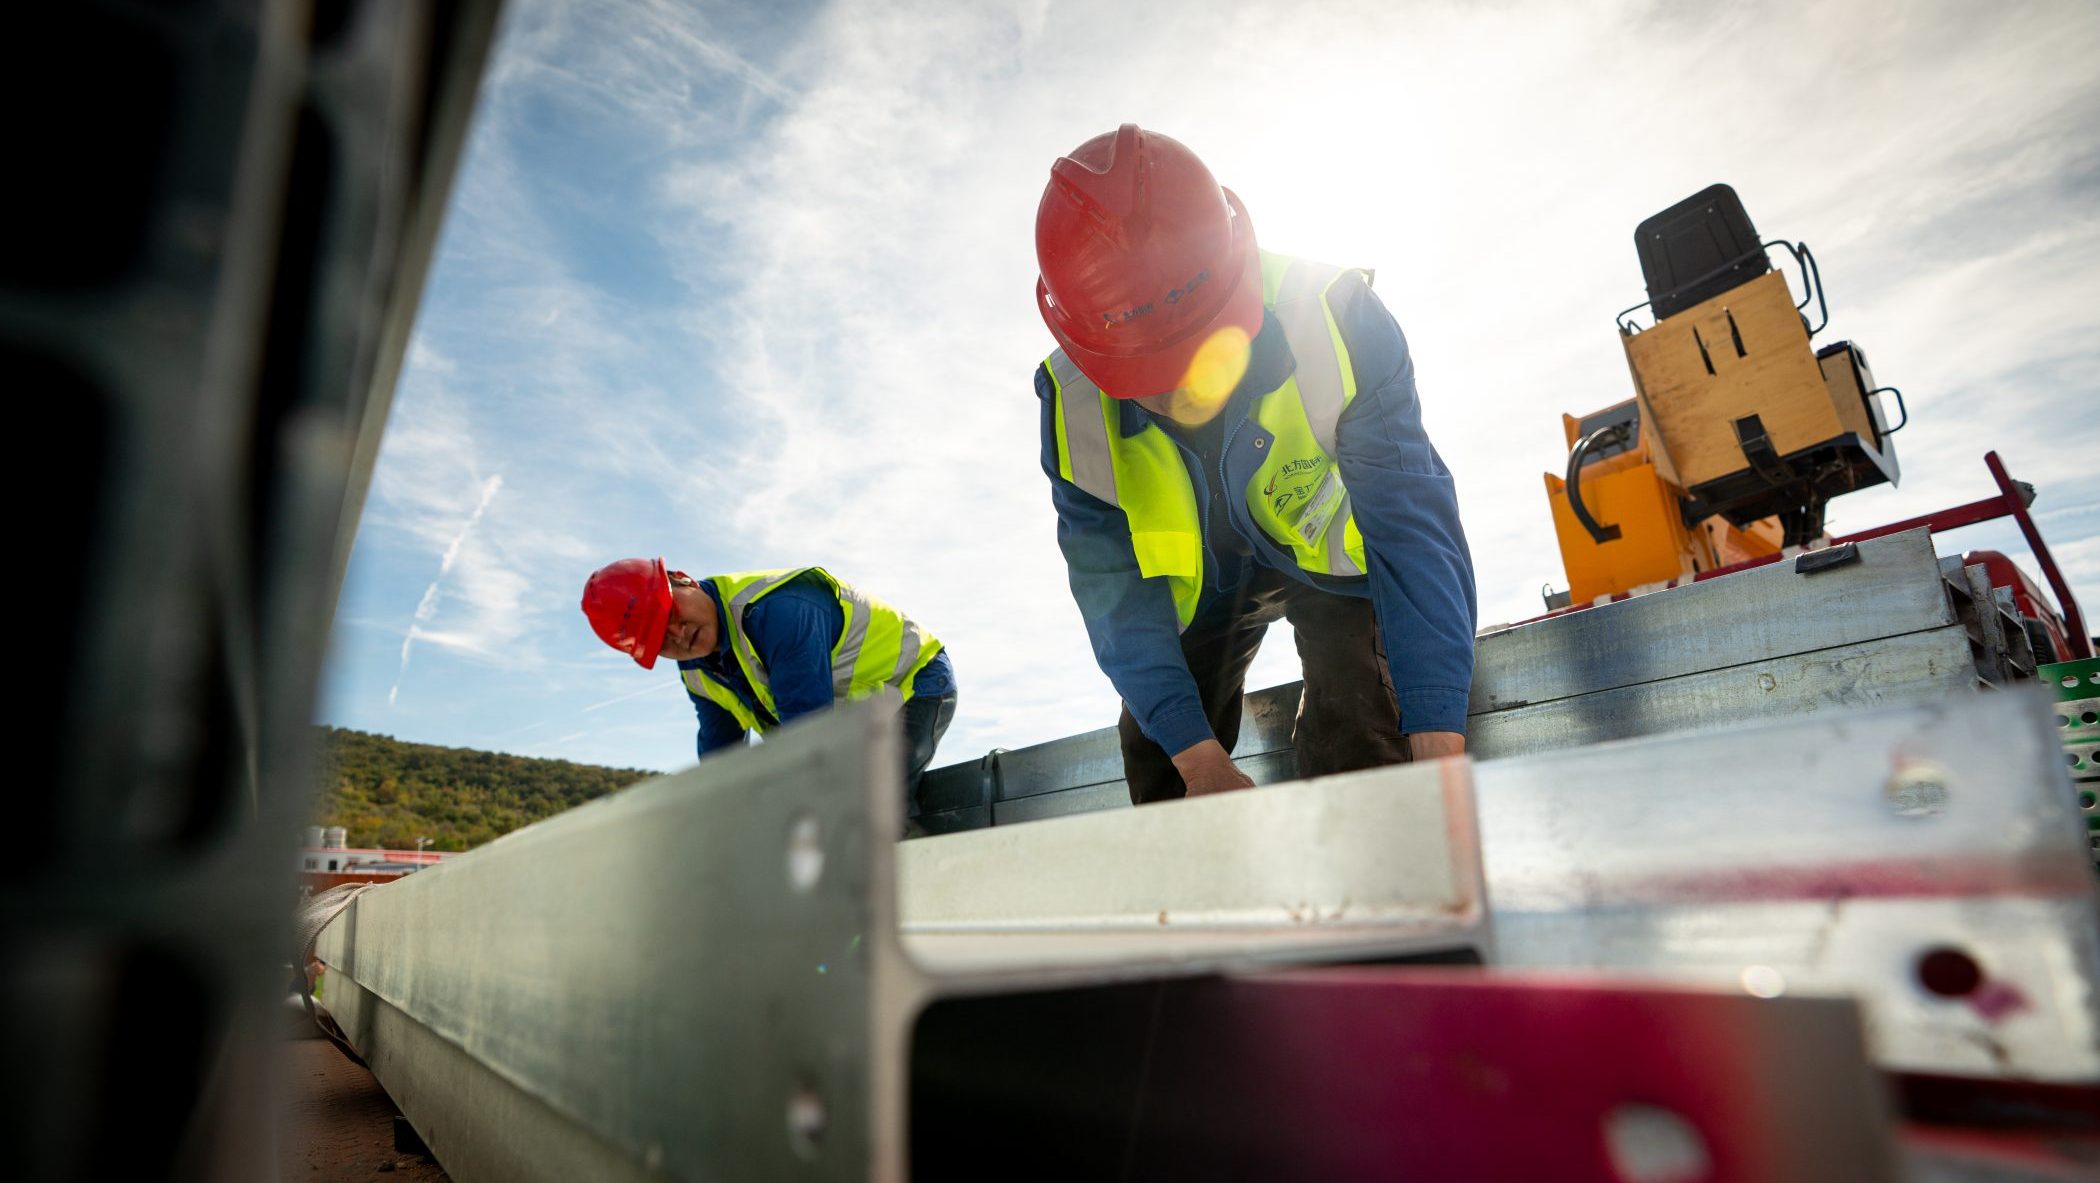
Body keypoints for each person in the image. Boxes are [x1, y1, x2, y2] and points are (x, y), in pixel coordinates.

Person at [1031, 124, 1475, 803]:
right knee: (1160, 759)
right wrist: (1200, 760)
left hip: (1335, 568)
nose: (1188, 391)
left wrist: (1438, 753)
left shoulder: (1334, 317)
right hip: (1201, 596)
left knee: (1361, 730)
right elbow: (1117, 602)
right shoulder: (1073, 409)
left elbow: (1414, 534)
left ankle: (1384, 893)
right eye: (1154, 373)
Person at [580, 559, 956, 818]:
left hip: (914, 685)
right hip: (848, 724)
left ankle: (903, 899)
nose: (678, 635)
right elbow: (721, 759)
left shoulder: (777, 611)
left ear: (685, 580)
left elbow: (808, 735)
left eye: (672, 614)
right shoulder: (697, 673)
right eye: (660, 639)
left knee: (876, 805)